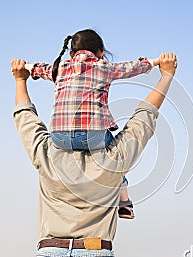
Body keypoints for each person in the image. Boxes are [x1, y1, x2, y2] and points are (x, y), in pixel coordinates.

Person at [11, 52, 177, 257]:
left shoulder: (47, 155)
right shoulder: (115, 159)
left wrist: (20, 80)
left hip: (49, 254)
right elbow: (144, 117)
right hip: (95, 254)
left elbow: (25, 118)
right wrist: (166, 76)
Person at [25, 29, 160, 219]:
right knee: (118, 156)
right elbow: (132, 67)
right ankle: (124, 203)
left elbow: (37, 68)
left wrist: (24, 66)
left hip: (59, 137)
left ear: (71, 54)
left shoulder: (60, 67)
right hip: (93, 136)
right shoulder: (103, 67)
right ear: (101, 52)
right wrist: (155, 62)